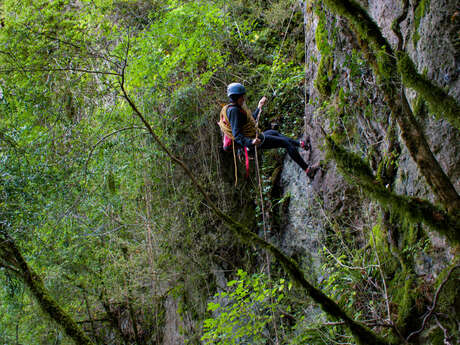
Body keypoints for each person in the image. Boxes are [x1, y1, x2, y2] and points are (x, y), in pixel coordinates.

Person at [219, 82, 318, 178]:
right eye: (242, 96)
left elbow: (249, 121)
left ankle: (300, 144)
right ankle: (308, 170)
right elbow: (237, 134)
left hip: (255, 137)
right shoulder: (234, 111)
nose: (244, 99)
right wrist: (251, 142)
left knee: (274, 132)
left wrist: (259, 107)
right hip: (254, 141)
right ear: (238, 97)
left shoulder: (234, 108)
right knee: (287, 144)